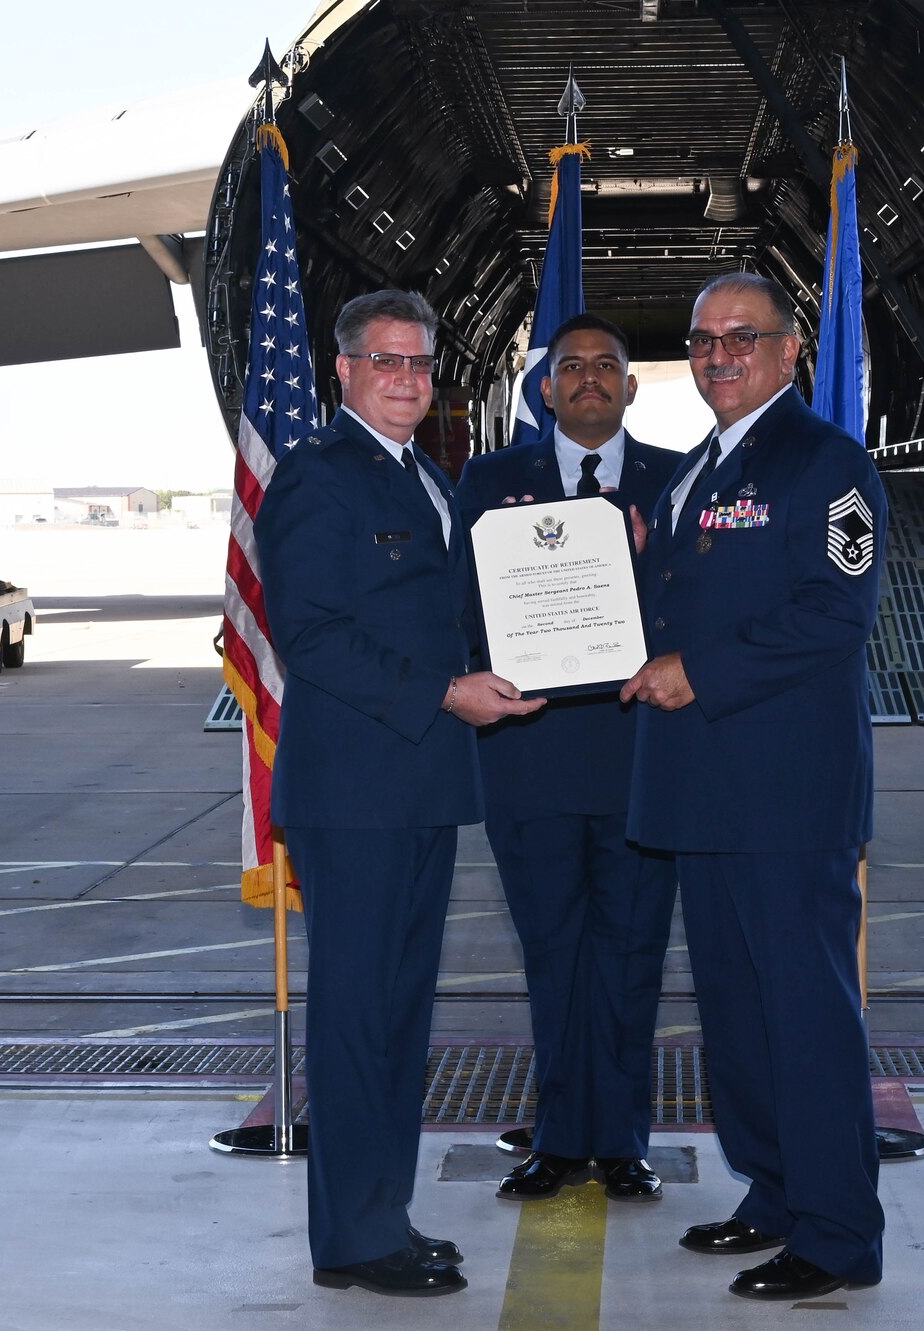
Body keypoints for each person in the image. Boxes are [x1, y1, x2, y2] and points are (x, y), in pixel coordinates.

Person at [255, 289, 543, 1297]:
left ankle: (382, 1214)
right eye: (386, 362)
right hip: (357, 794)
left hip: (416, 786)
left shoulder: (424, 475)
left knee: (396, 1019)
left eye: (421, 364)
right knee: (355, 1019)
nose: (408, 380)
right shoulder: (316, 479)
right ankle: (349, 1237)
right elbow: (316, 636)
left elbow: (444, 614)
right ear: (342, 370)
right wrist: (443, 691)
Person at [621, 272, 887, 1302]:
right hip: (702, 791)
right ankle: (774, 1192)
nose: (716, 354)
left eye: (740, 336)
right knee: (735, 1012)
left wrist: (700, 671)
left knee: (804, 1014)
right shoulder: (694, 471)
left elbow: (835, 613)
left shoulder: (830, 466)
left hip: (785, 794)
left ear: (789, 352)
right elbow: (682, 599)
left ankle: (835, 1233)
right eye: (699, 340)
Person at [454, 313, 681, 1204]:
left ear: (631, 386)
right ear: (542, 389)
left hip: (640, 761)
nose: (589, 377)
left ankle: (622, 1140)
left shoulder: (678, 482)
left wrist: (649, 563)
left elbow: (697, 609)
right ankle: (557, 1136)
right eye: (570, 365)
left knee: (631, 957)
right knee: (552, 957)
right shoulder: (489, 481)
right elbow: (458, 610)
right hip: (530, 760)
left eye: (607, 366)